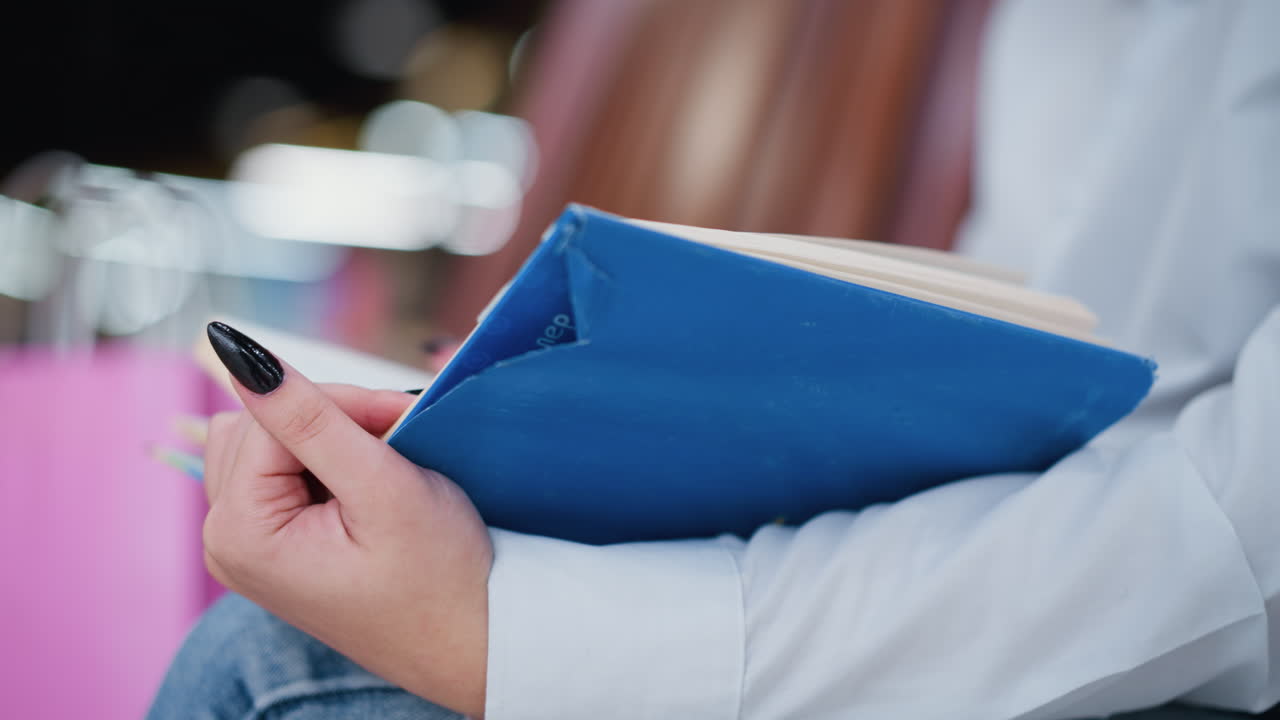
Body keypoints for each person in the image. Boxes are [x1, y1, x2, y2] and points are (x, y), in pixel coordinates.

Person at [147, 1, 1280, 718]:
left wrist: (521, 638)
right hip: (1067, 545)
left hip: (1178, 622)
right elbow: (1060, 368)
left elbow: (1236, 537)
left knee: (275, 668)